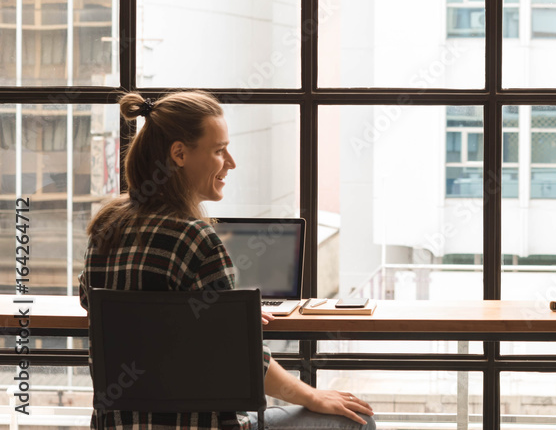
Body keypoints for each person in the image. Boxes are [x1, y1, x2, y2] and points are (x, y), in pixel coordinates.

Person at [79, 90, 375, 430]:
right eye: (219, 150)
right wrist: (311, 395)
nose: (231, 162)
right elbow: (243, 358)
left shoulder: (106, 228)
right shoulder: (197, 239)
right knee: (358, 420)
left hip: (115, 425)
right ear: (179, 154)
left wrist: (230, 313)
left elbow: (115, 310)